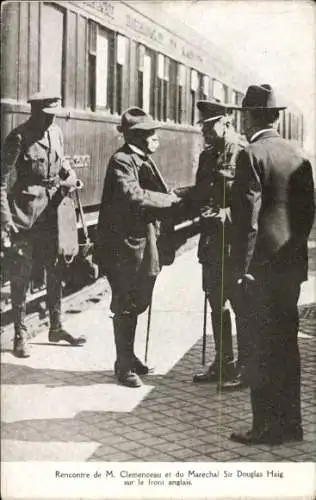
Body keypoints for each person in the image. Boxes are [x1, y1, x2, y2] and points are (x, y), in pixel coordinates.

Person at [229, 84, 315, 445]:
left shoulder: (251, 154)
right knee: (286, 345)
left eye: (243, 115)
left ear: (250, 117)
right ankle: (291, 425)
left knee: (261, 348)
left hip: (259, 272)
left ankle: (264, 427)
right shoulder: (299, 155)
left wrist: (241, 269)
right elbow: (308, 215)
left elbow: (246, 221)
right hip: (289, 269)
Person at [96, 107, 181, 388]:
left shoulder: (140, 158)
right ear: (138, 136)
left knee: (139, 300)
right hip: (123, 247)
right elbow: (134, 196)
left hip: (143, 242)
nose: (156, 138)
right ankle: (123, 365)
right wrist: (170, 201)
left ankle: (129, 355)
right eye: (151, 134)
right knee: (125, 303)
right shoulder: (122, 160)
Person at [1, 92, 87, 358]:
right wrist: (5, 221)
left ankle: (57, 327)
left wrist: (70, 176)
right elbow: (1, 183)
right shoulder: (18, 138)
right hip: (25, 216)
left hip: (53, 215)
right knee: (21, 276)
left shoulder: (56, 134)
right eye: (46, 116)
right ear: (35, 113)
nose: (50, 121)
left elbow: (61, 164)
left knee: (56, 269)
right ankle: (20, 334)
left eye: (54, 116)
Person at [182, 101, 246, 390]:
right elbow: (199, 193)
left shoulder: (243, 153)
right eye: (203, 126)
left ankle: (246, 367)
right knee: (215, 302)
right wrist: (175, 199)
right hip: (212, 243)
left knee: (241, 305)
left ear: (227, 123)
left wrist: (226, 215)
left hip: (235, 244)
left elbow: (253, 202)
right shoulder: (208, 156)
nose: (205, 131)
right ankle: (223, 361)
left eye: (210, 125)